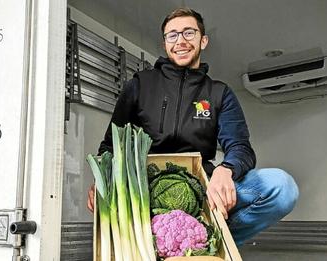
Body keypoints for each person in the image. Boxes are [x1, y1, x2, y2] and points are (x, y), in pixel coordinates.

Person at [87, 7, 299, 246]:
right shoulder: (140, 85)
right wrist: (102, 178)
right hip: (143, 192)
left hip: (203, 187)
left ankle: (212, 241)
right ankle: (166, 241)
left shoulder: (219, 93)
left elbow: (241, 148)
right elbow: (111, 143)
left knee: (282, 187)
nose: (181, 41)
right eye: (173, 35)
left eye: (189, 33)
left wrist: (225, 170)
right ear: (165, 43)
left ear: (203, 40)